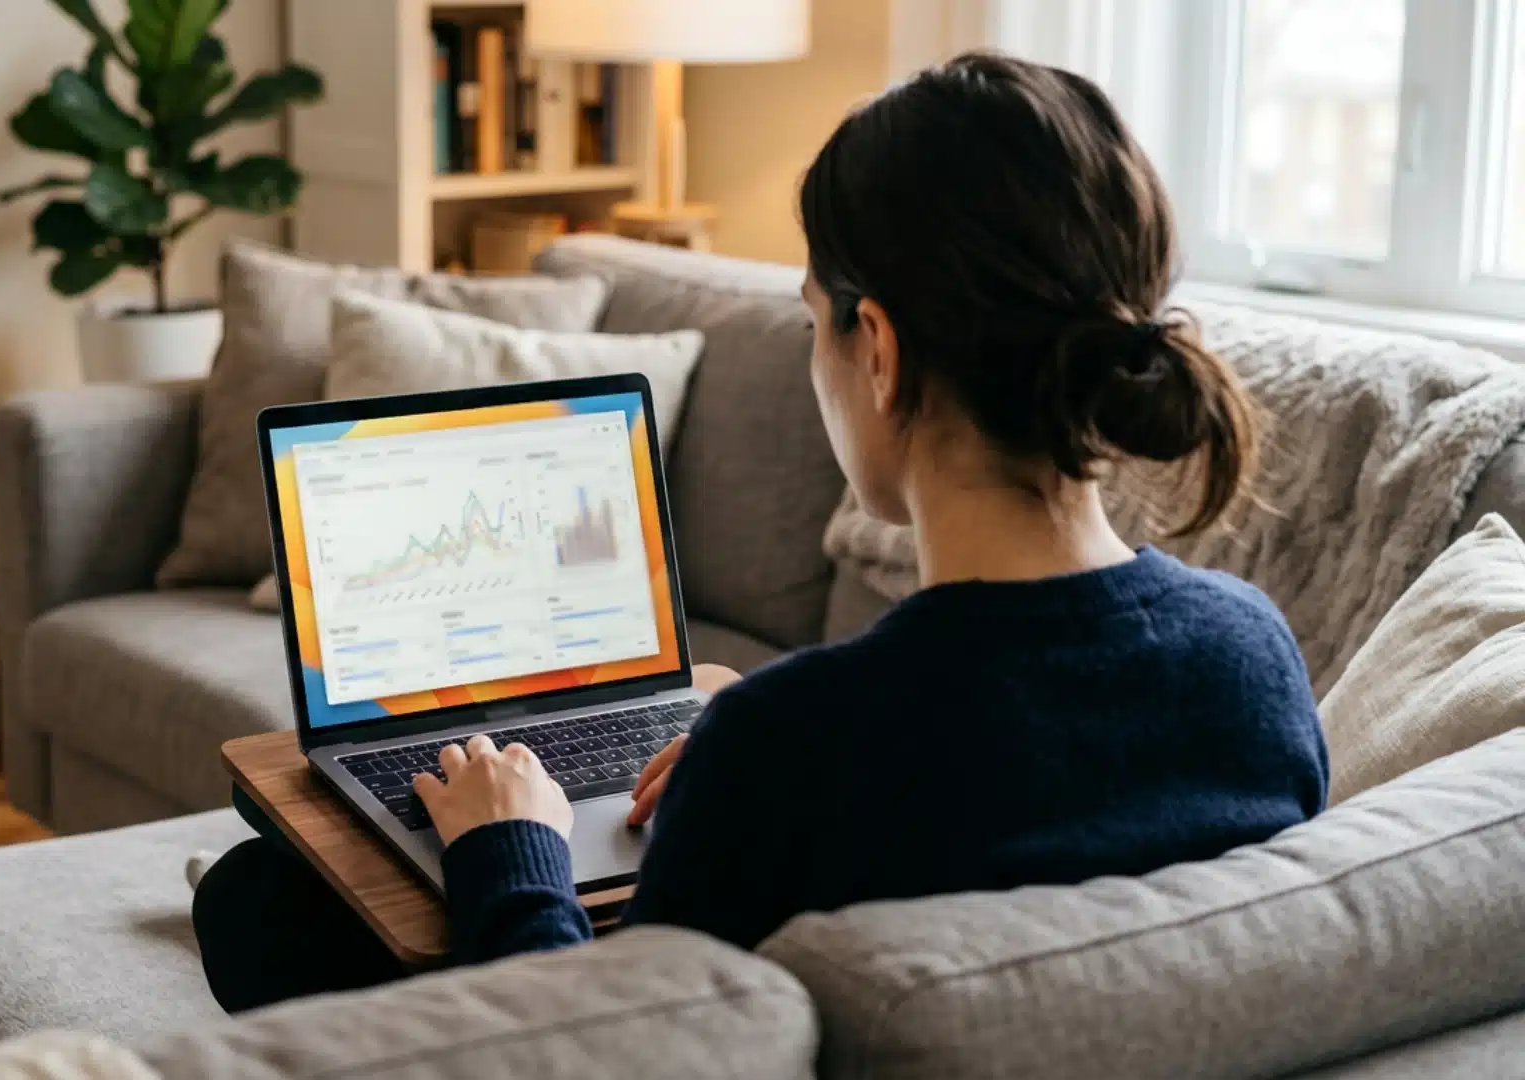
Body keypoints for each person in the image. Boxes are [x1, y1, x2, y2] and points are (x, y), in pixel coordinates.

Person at [191, 50, 1328, 1012]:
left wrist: (512, 846)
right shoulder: (1252, 657)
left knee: (258, 909)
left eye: (810, 326)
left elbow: (598, 1060)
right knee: (267, 899)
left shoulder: (801, 746)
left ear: (875, 350)